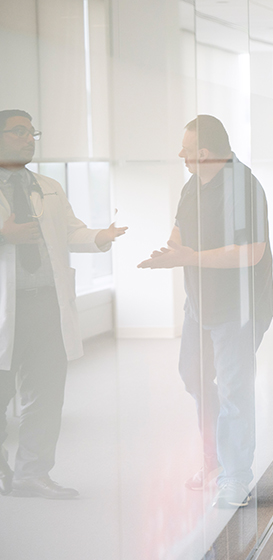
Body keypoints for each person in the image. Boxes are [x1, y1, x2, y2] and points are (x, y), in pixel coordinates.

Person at [138, 115, 273, 509]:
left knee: (234, 389)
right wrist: (173, 250)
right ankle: (214, 459)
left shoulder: (243, 187)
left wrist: (190, 257)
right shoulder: (193, 184)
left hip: (238, 307)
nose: (180, 155)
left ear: (203, 152)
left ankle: (235, 476)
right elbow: (180, 228)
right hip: (201, 304)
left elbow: (251, 252)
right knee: (194, 376)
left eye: (186, 149)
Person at [0, 109, 127, 499]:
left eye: (32, 133)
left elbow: (70, 232)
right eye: (18, 132)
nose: (28, 139)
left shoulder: (48, 187)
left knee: (46, 394)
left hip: (46, 307)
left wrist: (100, 237)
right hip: (6, 310)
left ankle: (32, 474)